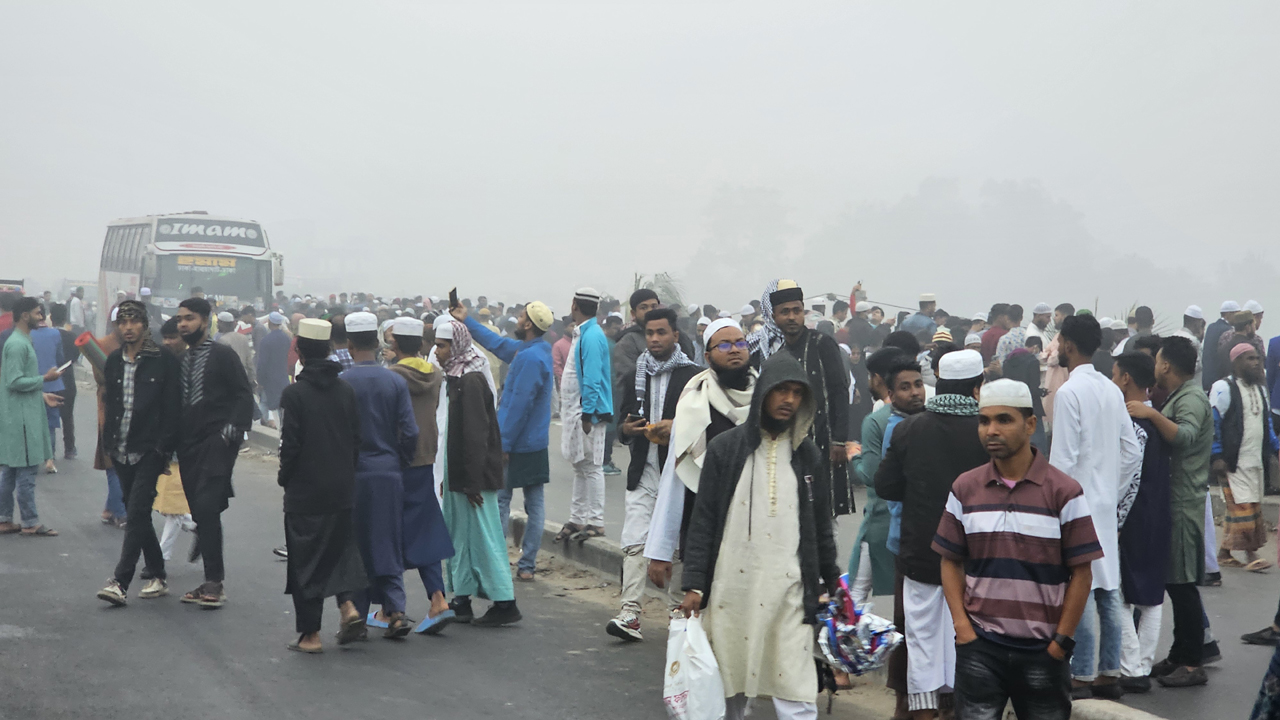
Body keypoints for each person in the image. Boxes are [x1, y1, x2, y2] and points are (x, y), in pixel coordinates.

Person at [679, 352, 842, 720]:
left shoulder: (807, 455)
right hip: (732, 588)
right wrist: (693, 585)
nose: (789, 400)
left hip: (789, 590)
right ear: (763, 391)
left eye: (797, 393)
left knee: (796, 689)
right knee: (727, 685)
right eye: (781, 390)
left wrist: (832, 581)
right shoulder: (726, 449)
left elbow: (820, 527)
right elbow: (703, 520)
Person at [935, 378, 1102, 720]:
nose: (991, 430)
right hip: (980, 648)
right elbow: (950, 562)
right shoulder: (965, 488)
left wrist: (1061, 643)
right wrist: (963, 630)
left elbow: (1082, 573)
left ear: (1030, 425)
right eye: (984, 421)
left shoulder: (1064, 492)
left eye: (1003, 420)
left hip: (1043, 651)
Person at [877, 348, 987, 718]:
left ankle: (924, 713)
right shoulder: (988, 432)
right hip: (975, 560)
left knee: (923, 643)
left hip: (922, 558)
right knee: (967, 640)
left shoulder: (910, 428)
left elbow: (886, 486)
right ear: (977, 387)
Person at [1048, 314, 1141, 698]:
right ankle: (1108, 672)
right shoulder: (1111, 389)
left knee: (1079, 584)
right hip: (1102, 503)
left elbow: (1063, 461)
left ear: (1069, 344)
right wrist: (1111, 492)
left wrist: (1054, 506)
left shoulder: (1070, 393)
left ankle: (1083, 673)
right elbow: (1131, 452)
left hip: (1075, 501)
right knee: (1108, 587)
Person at [643, 319, 755, 600]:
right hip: (701, 527)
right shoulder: (694, 403)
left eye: (740, 343)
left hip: (752, 529)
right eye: (725, 345)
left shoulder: (766, 398)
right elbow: (675, 477)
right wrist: (660, 551)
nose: (734, 350)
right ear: (707, 356)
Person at [608, 308, 700, 641]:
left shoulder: (694, 377)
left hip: (678, 475)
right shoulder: (637, 373)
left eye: (662, 333)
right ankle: (630, 613)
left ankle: (680, 615)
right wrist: (627, 429)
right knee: (634, 541)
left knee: (675, 544)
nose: (655, 339)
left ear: (675, 336)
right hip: (643, 470)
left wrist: (675, 427)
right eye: (650, 333)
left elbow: (705, 424)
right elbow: (622, 423)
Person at [1127, 336, 1214, 687]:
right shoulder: (1182, 395)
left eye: (1157, 360)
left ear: (1165, 365)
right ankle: (1180, 654)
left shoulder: (1191, 397)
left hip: (1183, 500)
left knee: (1182, 584)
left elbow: (1187, 436)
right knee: (1174, 581)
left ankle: (1192, 662)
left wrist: (1149, 413)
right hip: (1173, 498)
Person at [277, 318, 368, 652]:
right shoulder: (346, 390)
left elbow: (291, 445)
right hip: (341, 487)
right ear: (330, 349)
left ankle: (310, 634)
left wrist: (284, 478)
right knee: (339, 550)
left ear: (300, 350)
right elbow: (357, 440)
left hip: (305, 491)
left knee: (305, 560)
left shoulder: (294, 394)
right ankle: (347, 605)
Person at [454, 300, 554, 583]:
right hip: (536, 441)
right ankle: (527, 565)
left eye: (521, 317)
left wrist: (503, 444)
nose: (517, 320)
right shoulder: (535, 351)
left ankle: (498, 560)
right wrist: (467, 320)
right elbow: (497, 344)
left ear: (528, 325)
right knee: (535, 503)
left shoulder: (528, 358)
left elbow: (516, 405)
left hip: (517, 442)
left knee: (500, 499)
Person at [435, 320, 522, 627]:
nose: (437, 351)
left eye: (442, 345)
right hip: (461, 473)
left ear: (456, 346)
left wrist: (471, 480)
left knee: (484, 538)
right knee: (458, 537)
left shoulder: (471, 381)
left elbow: (475, 435)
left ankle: (504, 601)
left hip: (476, 476)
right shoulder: (456, 378)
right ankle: (461, 598)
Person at [95, 300, 181, 606]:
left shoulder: (164, 360)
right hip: (121, 448)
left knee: (138, 512)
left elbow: (173, 409)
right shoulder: (115, 361)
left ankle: (120, 581)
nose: (128, 328)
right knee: (137, 513)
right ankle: (158, 574)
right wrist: (108, 443)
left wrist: (164, 450)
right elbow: (112, 404)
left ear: (144, 326)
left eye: (134, 322)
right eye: (123, 322)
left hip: (150, 450)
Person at [340, 311, 417, 637]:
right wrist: (397, 461)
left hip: (352, 475)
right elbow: (410, 432)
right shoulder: (395, 381)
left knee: (354, 545)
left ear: (349, 344)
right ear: (376, 341)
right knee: (387, 542)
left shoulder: (342, 382)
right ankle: (396, 611)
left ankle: (354, 614)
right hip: (387, 472)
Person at [174, 297, 254, 608]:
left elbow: (243, 394)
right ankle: (204, 538)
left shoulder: (223, 355)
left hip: (216, 442)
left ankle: (214, 582)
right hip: (188, 445)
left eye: (190, 318)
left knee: (206, 505)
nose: (183, 324)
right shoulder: (180, 359)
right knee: (202, 508)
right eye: (180, 319)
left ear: (206, 321)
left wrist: (228, 435)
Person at [747, 279, 851, 514]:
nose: (792, 317)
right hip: (788, 442)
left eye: (797, 311)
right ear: (774, 316)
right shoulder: (777, 355)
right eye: (785, 312)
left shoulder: (822, 344)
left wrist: (839, 440)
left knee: (825, 512)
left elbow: (839, 391)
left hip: (825, 439)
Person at [385, 317, 457, 634]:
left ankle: (392, 609)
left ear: (395, 344)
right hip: (426, 458)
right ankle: (438, 598)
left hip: (397, 460)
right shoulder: (436, 375)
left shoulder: (392, 378)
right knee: (425, 527)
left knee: (388, 532)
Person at [1110, 352, 1173, 692]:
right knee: (1151, 595)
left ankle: (1131, 668)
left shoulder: (1132, 423)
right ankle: (1142, 665)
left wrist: (1116, 519)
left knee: (1119, 593)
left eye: (1114, 373)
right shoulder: (1158, 420)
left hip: (1133, 516)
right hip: (1159, 514)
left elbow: (1129, 478)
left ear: (1126, 379)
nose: (1112, 378)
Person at [845, 349, 916, 604]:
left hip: (880, 519)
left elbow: (873, 476)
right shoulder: (924, 415)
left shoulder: (875, 421)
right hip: (915, 522)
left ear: (877, 378)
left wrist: (854, 456)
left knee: (856, 590)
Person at [0, 297, 64, 537]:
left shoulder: (20, 341)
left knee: (10, 471)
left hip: (18, 413)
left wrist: (42, 394)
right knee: (26, 472)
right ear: (25, 315)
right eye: (38, 313)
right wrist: (44, 380)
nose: (41, 317)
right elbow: (14, 381)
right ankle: (30, 521)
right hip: (22, 419)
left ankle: (5, 518)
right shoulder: (18, 344)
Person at [1210, 344, 1277, 571]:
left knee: (1246, 507)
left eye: (1258, 358)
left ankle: (1224, 553)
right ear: (1236, 362)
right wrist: (1216, 455)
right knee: (1243, 507)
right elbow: (1213, 423)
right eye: (1250, 359)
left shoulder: (1260, 389)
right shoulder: (1223, 388)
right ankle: (1251, 555)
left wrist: (1276, 449)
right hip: (1232, 462)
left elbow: (1266, 425)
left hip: (1254, 462)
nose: (1256, 363)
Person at [556, 288, 612, 542]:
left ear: (574, 305)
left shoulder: (591, 336)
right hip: (576, 411)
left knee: (591, 466)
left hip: (586, 412)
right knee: (580, 466)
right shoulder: (585, 333)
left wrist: (588, 414)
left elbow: (591, 378)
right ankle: (577, 518)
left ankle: (596, 521)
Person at [29, 304, 65, 473]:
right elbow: (60, 358)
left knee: (32, 423)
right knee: (50, 424)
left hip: (32, 385)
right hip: (53, 384)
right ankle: (49, 459)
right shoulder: (55, 334)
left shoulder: (27, 335)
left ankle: (32, 458)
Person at [50, 303, 78, 459]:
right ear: (65, 318)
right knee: (67, 416)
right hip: (68, 380)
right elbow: (75, 358)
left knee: (49, 417)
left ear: (51, 318)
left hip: (51, 379)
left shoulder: (47, 336)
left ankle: (50, 452)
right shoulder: (72, 336)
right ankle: (70, 448)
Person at [256, 311, 291, 429]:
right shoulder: (287, 339)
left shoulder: (266, 340)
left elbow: (262, 363)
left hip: (269, 379)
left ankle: (261, 430)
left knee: (264, 403)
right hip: (283, 377)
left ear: (269, 322)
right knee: (283, 406)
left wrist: (260, 380)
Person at [1204, 301, 1241, 390]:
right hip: (1219, 380)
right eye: (1237, 314)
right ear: (1228, 314)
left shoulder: (1211, 327)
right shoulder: (1228, 331)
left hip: (1206, 378)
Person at [216, 311, 256, 392]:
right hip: (243, 378)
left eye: (218, 323)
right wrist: (251, 380)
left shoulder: (222, 340)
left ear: (223, 324)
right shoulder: (243, 338)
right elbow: (249, 362)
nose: (217, 325)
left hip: (229, 381)